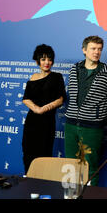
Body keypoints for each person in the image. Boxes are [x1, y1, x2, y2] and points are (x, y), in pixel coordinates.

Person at [64, 36, 107, 186]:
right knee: (70, 165)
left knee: (91, 167)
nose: (97, 52)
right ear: (84, 50)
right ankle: (71, 195)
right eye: (93, 49)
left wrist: (98, 115)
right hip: (71, 125)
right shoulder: (74, 69)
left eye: (99, 49)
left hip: (92, 127)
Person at [22, 44, 66, 173]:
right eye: (43, 59)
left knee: (43, 155)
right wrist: (36, 109)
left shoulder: (57, 77)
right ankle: (28, 181)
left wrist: (43, 109)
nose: (47, 62)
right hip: (31, 122)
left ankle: (41, 185)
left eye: (49, 59)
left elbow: (61, 99)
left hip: (46, 123)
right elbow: (26, 98)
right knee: (28, 152)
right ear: (37, 61)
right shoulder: (33, 77)